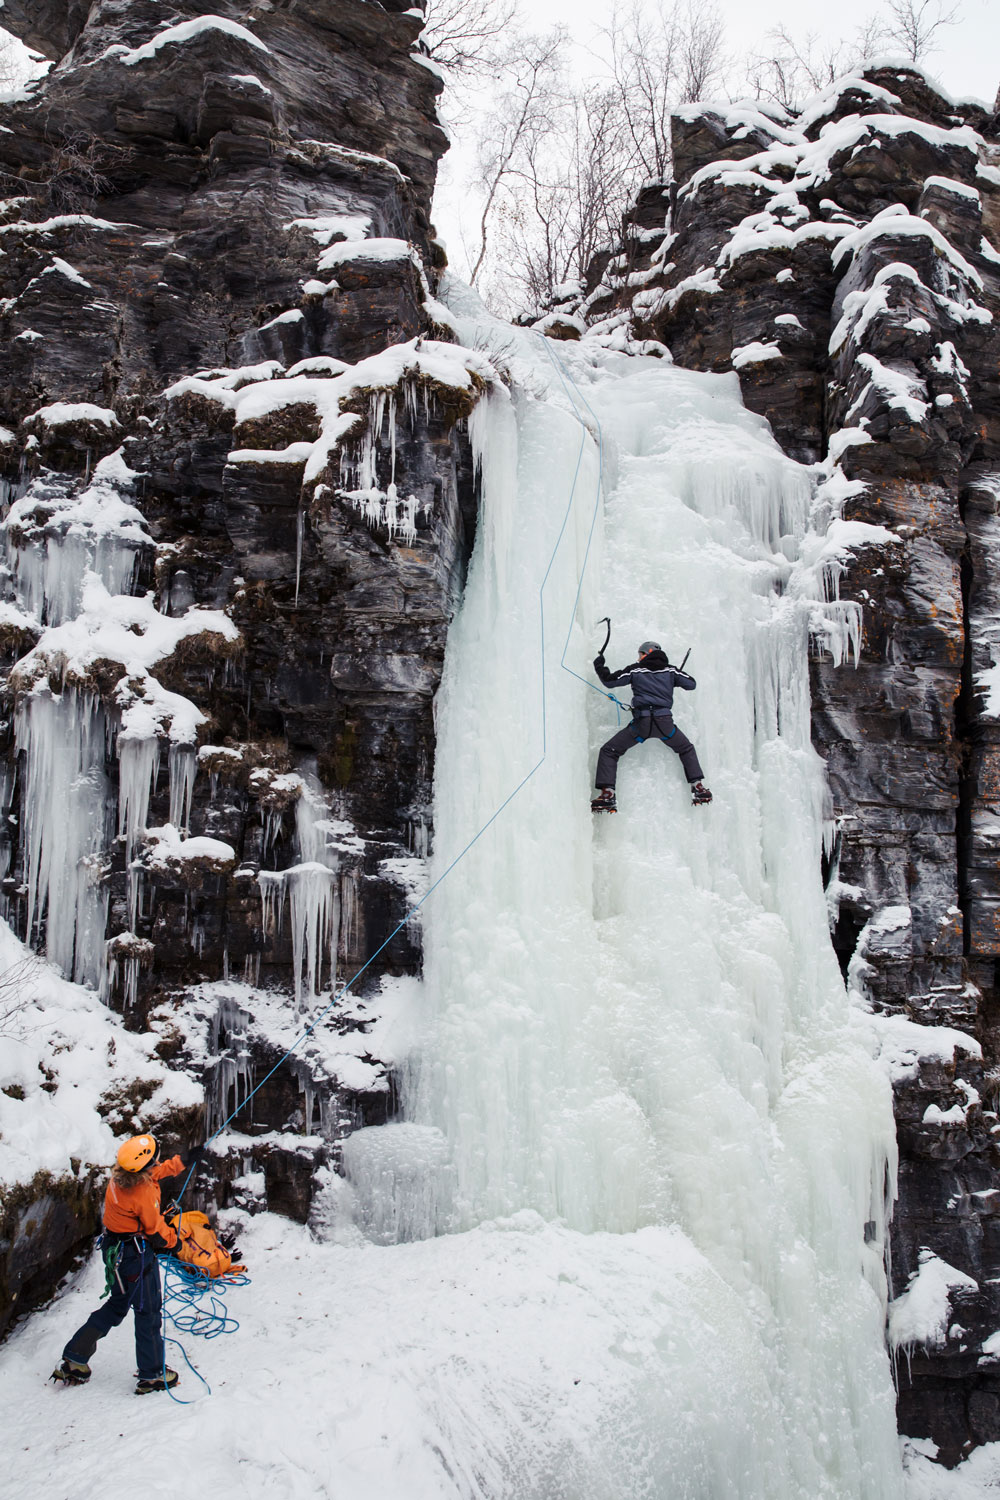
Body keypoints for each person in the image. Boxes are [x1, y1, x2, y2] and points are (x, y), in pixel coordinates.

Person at [52, 1132, 203, 1395]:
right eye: (155, 1158)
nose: (157, 1161)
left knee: (117, 1306)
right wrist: (176, 1243)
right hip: (136, 1256)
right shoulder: (142, 1192)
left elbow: (153, 1173)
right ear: (144, 1166)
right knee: (149, 1311)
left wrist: (182, 1162)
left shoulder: (123, 1176)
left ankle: (75, 1358)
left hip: (118, 1251)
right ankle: (152, 1374)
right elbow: (156, 1232)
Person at [592, 640, 712, 812]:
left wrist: (599, 665)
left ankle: (608, 794)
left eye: (640, 654)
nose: (638, 657)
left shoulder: (636, 669)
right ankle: (698, 787)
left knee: (610, 751)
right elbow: (691, 684)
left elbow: (610, 681)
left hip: (642, 723)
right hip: (665, 724)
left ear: (647, 653)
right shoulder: (670, 670)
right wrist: (675, 677)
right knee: (685, 749)